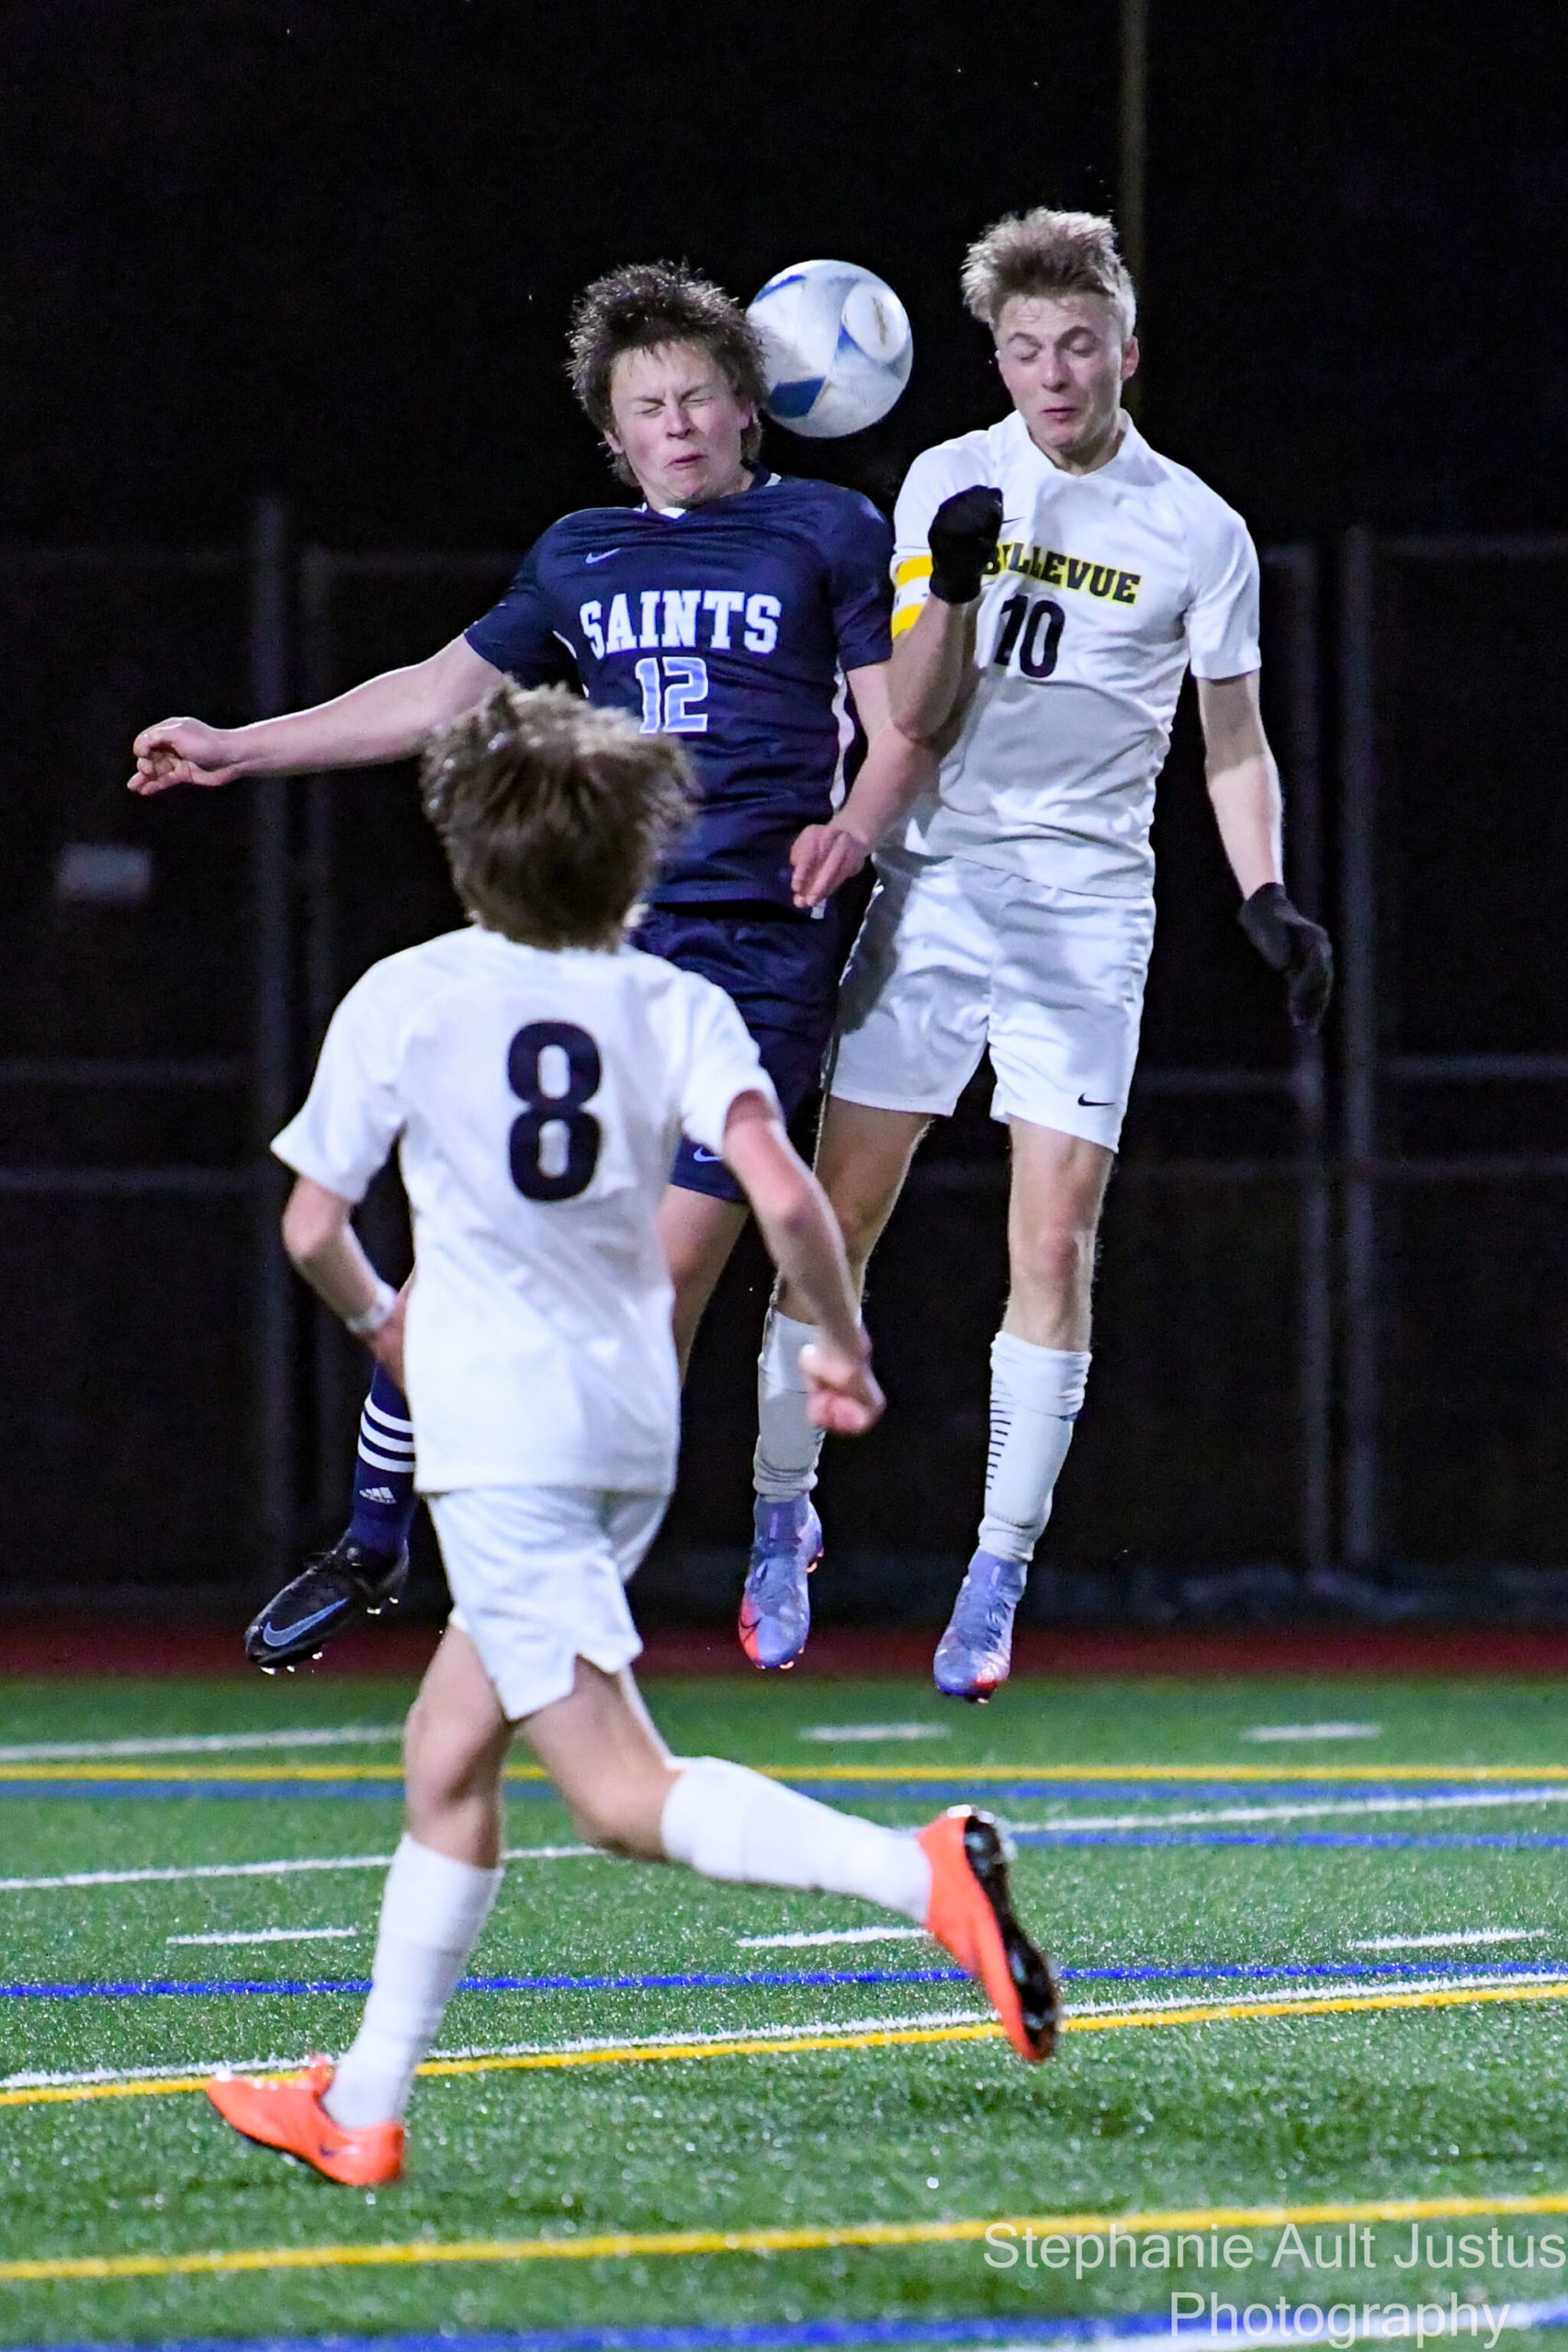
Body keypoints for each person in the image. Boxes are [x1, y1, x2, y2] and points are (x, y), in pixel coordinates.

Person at [203, 684, 1056, 2187]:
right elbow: (788, 1198)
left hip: (499, 1435)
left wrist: (381, 1321)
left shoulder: (407, 993)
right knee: (446, 1752)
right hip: (625, 1428)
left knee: (614, 1795)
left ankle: (914, 1875)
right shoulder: (679, 1000)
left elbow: (312, 1224)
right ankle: (362, 2106)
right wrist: (842, 1353)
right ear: (639, 862)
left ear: (466, 844)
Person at [130, 261, 925, 1672]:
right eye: (644, 408)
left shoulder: (828, 530)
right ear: (613, 438)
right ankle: (378, 1539)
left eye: (695, 396)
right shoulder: (579, 553)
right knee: (491, 1248)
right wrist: (240, 745)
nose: (674, 423)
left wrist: (859, 823)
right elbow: (436, 695)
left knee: (646, 1298)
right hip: (597, 945)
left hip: (755, 955)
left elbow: (898, 720)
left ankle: (564, 1582)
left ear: (751, 407)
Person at [742, 207, 1334, 1697]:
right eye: (1024, 351)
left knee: (1053, 1240)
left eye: (1078, 348)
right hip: (936, 885)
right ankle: (777, 1516)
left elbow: (1235, 741)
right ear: (995, 359)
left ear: (1127, 351)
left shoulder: (1197, 528)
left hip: (1085, 907)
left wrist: (1264, 891)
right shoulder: (951, 478)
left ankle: (995, 1575)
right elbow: (914, 718)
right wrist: (946, 577)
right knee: (838, 1215)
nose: (1053, 376)